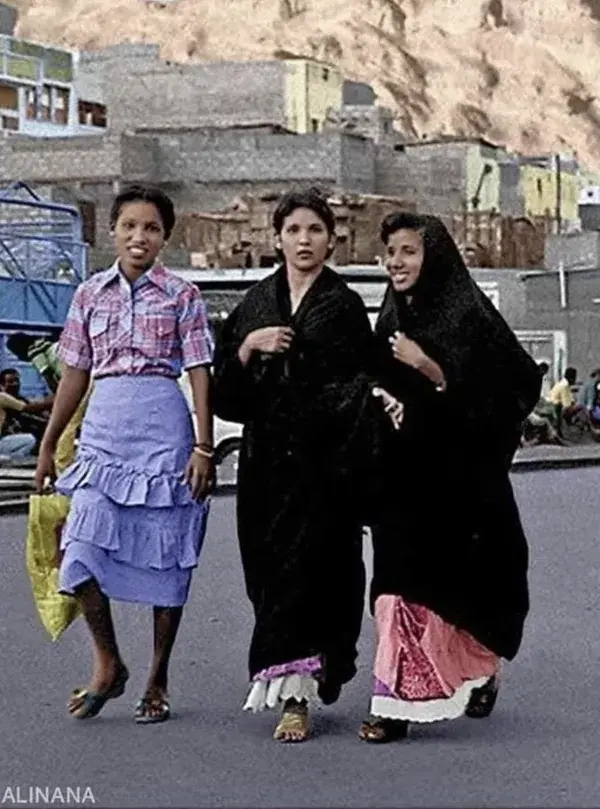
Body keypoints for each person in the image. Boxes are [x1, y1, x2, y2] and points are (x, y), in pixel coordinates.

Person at [213, 187, 397, 743]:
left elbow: (359, 383)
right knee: (269, 574)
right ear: (276, 239)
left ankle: (297, 695)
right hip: (266, 467)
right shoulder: (255, 305)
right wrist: (249, 347)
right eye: (293, 230)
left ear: (332, 240)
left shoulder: (340, 307)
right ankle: (290, 674)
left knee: (315, 577)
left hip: (323, 471)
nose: (304, 240)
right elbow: (228, 395)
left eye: (315, 230)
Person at [35, 183, 214, 723]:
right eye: (130, 226)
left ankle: (158, 676)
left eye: (152, 228)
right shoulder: (89, 294)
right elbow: (74, 373)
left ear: (165, 238)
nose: (140, 236)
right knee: (81, 544)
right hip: (104, 431)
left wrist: (204, 446)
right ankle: (108, 662)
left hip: (165, 431)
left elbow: (201, 371)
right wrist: (48, 444)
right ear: (112, 232)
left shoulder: (184, 296)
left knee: (168, 553)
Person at [359, 212, 541, 743]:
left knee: (457, 593)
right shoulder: (391, 315)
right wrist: (382, 398)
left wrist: (433, 371)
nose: (396, 261)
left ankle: (479, 669)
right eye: (390, 251)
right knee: (396, 587)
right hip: (402, 480)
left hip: (460, 485)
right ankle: (393, 705)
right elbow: (373, 376)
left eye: (408, 251)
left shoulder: (467, 314)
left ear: (432, 255)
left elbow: (517, 386)